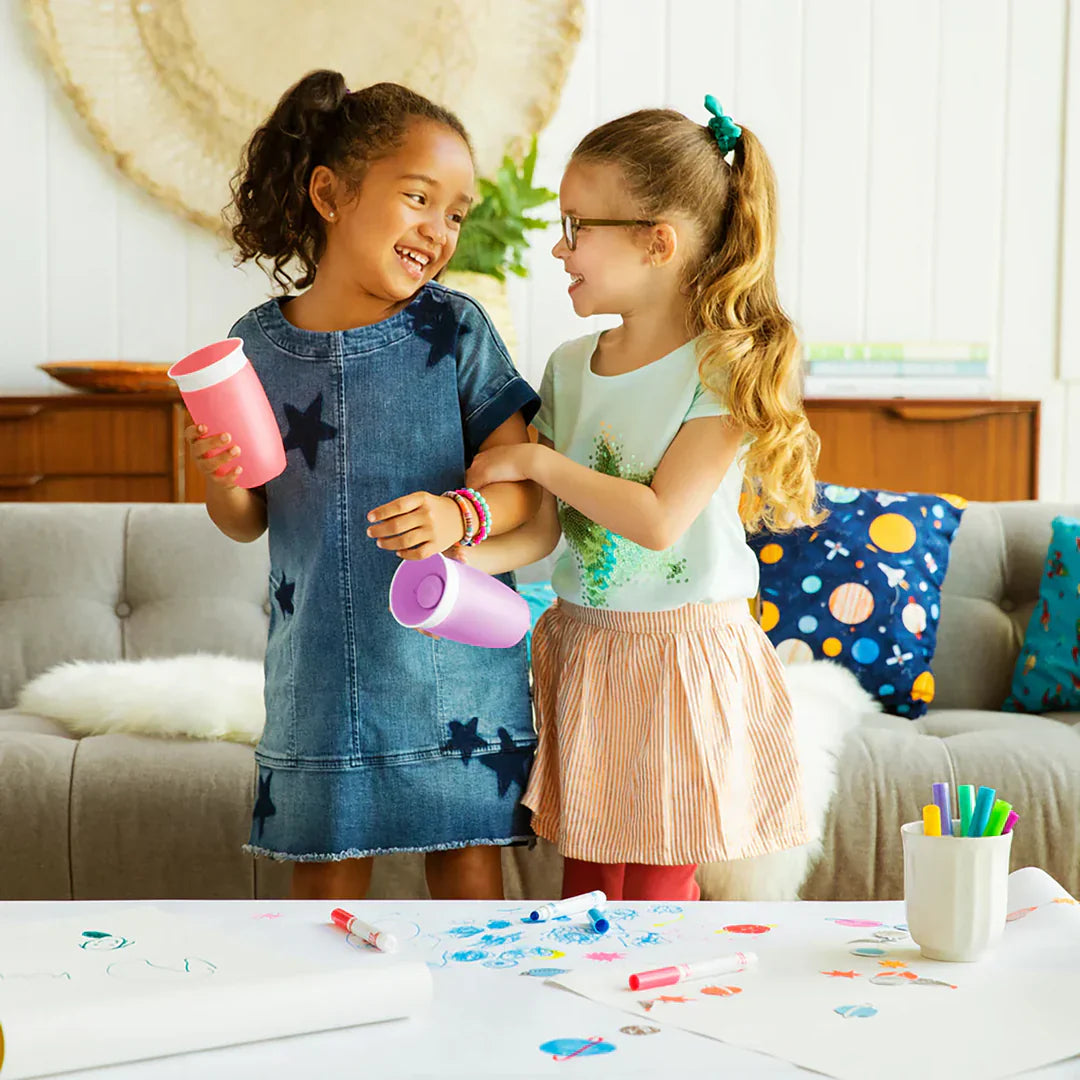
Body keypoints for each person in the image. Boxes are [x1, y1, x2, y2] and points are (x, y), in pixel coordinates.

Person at [185, 70, 541, 902]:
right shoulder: (253, 348)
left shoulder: (454, 331)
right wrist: (219, 478)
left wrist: (460, 516)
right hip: (319, 677)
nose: (440, 229)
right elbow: (246, 520)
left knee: (470, 904)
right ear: (329, 194)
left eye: (456, 213)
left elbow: (528, 491)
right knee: (324, 924)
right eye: (420, 198)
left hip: (456, 677)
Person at [461, 96, 824, 902]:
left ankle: (661, 1022)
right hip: (589, 647)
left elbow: (659, 520)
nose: (560, 248)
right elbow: (546, 532)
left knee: (658, 890)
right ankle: (586, 1026)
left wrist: (537, 463)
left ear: (657, 241)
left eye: (576, 226)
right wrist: (466, 559)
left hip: (679, 655)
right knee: (586, 887)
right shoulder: (566, 366)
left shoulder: (724, 367)